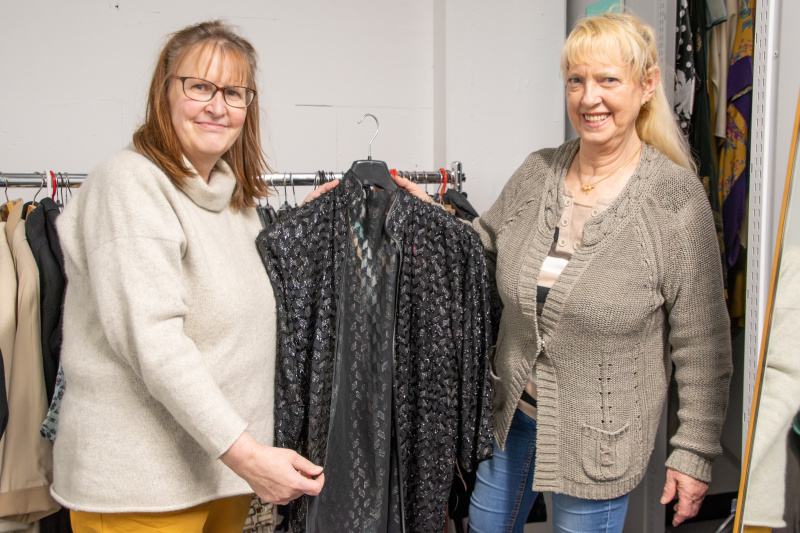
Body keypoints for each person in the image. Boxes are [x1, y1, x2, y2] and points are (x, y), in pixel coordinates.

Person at [394, 12, 732, 532]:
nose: (588, 97)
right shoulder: (538, 172)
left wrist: (694, 454)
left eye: (608, 80)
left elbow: (704, 344)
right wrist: (421, 218)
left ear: (647, 86)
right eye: (577, 80)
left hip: (599, 433)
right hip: (512, 414)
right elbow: (478, 254)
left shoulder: (674, 201)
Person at [52, 20, 334, 532]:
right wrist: (248, 455)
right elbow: (154, 343)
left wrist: (312, 226)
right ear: (165, 92)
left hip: (218, 474)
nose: (217, 106)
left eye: (234, 92)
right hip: (141, 488)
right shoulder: (130, 183)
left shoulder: (235, 201)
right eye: (200, 86)